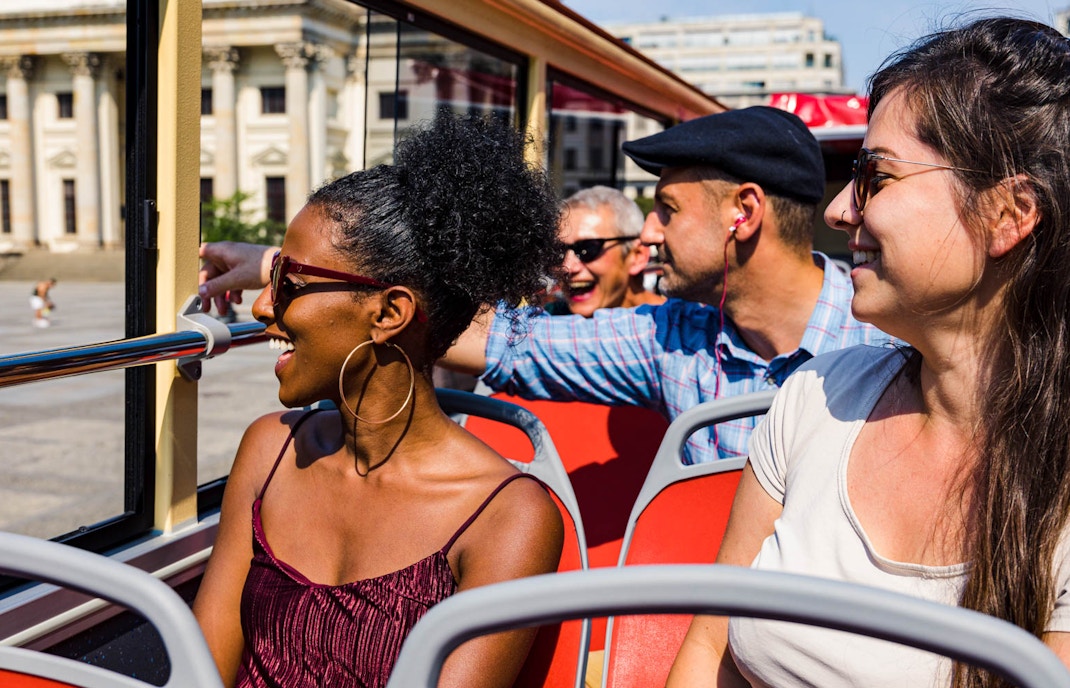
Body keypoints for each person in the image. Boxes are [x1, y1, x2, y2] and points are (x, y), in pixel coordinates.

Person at [668, 17, 1070, 688]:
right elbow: (710, 648)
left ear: (1008, 215)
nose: (839, 211)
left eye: (875, 178)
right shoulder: (817, 396)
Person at [199, 107, 890, 465]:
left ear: (744, 214)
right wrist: (298, 274)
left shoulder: (888, 344)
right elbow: (509, 343)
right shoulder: (673, 341)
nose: (650, 234)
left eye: (668, 210)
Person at [192, 112, 564, 688]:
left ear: (390, 313)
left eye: (288, 282)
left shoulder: (508, 518)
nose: (263, 307)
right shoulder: (269, 449)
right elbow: (199, 674)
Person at [550, 185, 664, 317]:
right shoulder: (542, 324)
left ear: (638, 256)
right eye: (557, 252)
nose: (567, 267)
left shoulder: (676, 328)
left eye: (588, 248)